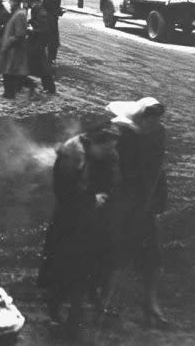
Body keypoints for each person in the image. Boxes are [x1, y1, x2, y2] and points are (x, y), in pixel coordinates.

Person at [37, 124, 121, 333]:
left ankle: (76, 311)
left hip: (89, 221)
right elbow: (64, 192)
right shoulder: (73, 154)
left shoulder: (100, 155)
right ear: (95, 143)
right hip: (69, 221)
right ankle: (56, 310)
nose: (111, 152)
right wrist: (92, 200)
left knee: (84, 268)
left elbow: (109, 179)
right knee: (63, 266)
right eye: (107, 148)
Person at [107, 96, 169, 328]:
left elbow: (156, 169)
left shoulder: (158, 133)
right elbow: (116, 167)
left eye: (157, 120)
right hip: (123, 200)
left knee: (151, 256)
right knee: (116, 249)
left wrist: (151, 200)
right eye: (150, 119)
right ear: (141, 117)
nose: (154, 124)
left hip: (146, 200)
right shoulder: (124, 132)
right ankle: (106, 299)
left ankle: (150, 302)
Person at [0, 0, 35, 99]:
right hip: (11, 49)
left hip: (14, 50)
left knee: (11, 73)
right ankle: (8, 94)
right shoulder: (16, 13)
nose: (9, 3)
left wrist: (8, 42)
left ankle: (10, 94)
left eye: (11, 1)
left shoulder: (19, 14)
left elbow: (20, 34)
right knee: (8, 73)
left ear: (16, 2)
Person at [28, 0, 55, 94]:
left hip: (40, 43)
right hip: (36, 41)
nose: (33, 3)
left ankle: (49, 88)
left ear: (39, 1)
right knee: (39, 65)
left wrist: (32, 30)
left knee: (43, 67)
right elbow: (33, 21)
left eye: (35, 1)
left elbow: (44, 29)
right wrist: (29, 23)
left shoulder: (41, 13)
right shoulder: (37, 10)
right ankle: (45, 86)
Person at [42, 0, 65, 64]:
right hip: (48, 21)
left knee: (53, 41)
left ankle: (51, 58)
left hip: (53, 21)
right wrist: (59, 12)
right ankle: (48, 58)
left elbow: (55, 9)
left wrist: (60, 11)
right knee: (50, 40)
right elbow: (48, 9)